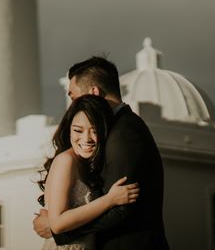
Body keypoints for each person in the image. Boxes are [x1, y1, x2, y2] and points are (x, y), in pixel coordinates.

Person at [34, 56, 170, 250]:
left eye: (73, 96)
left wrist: (57, 229)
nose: (73, 105)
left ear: (94, 93)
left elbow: (122, 209)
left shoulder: (124, 133)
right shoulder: (111, 131)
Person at [38, 94, 140, 250]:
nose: (86, 139)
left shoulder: (85, 163)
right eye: (78, 130)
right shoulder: (66, 160)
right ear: (69, 130)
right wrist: (110, 200)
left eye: (95, 131)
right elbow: (57, 224)